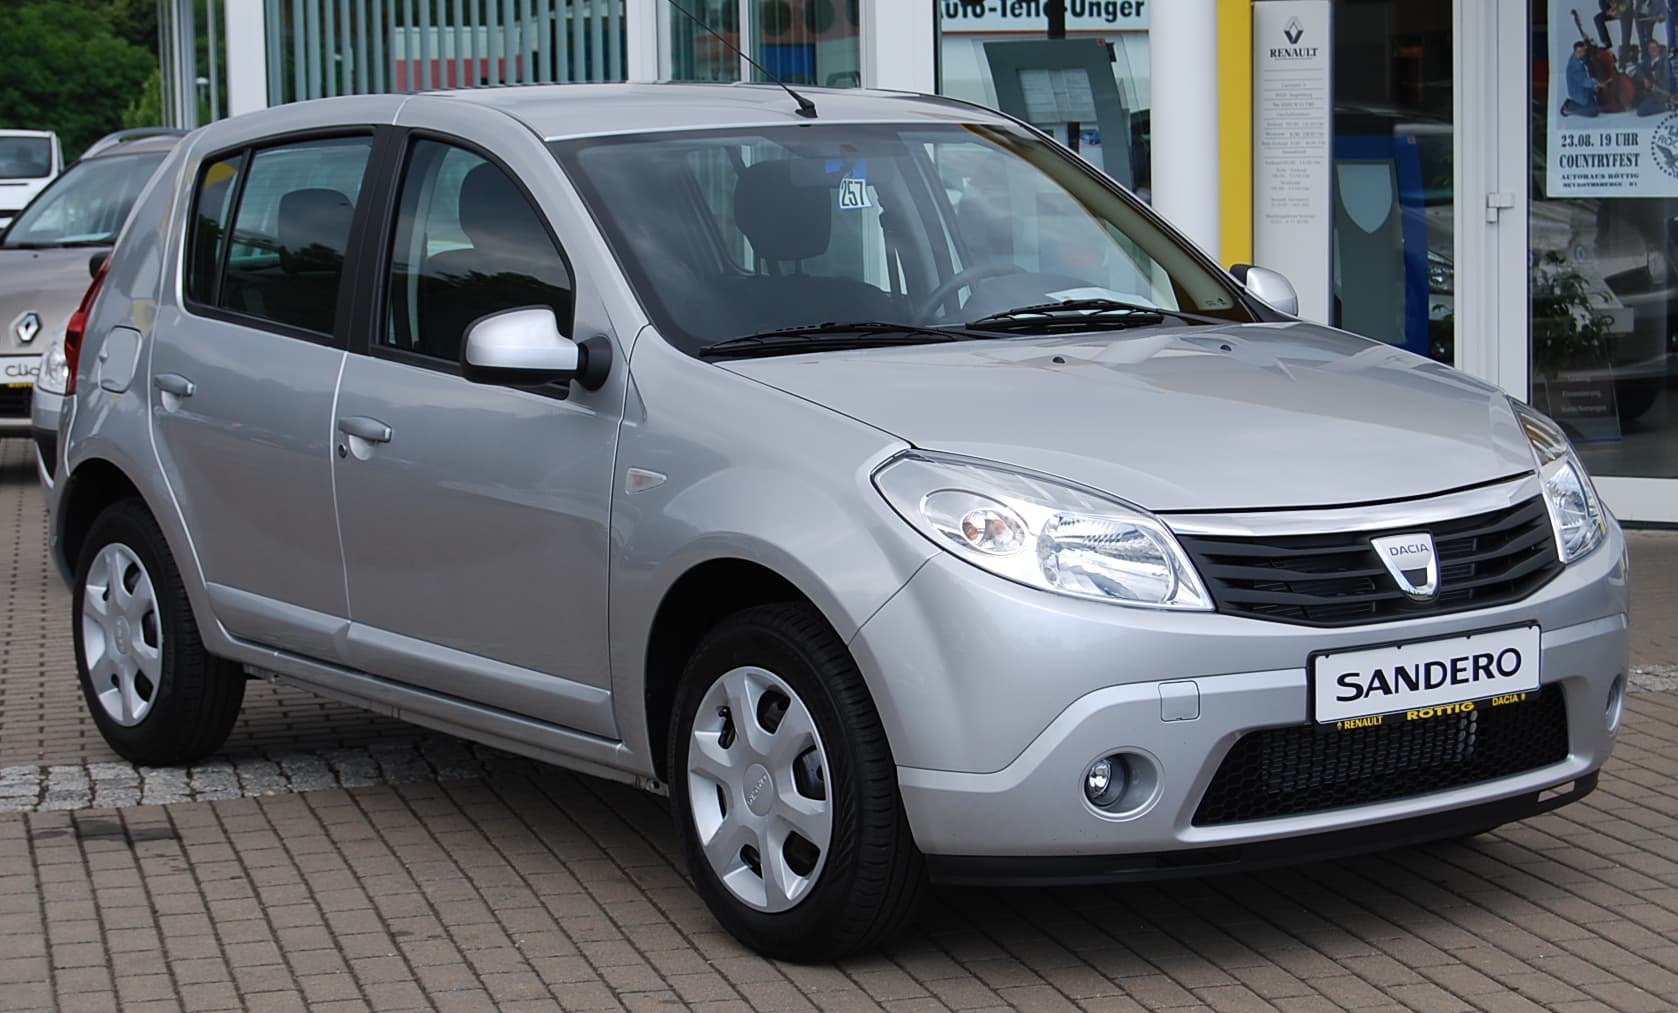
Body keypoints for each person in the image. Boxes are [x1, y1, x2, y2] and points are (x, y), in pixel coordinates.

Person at [1632, 38, 1676, 114]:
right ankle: (1666, 105)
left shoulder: (1665, 61)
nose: (1653, 50)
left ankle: (1668, 106)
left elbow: (1669, 78)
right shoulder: (1647, 61)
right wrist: (1644, 79)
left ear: (1658, 48)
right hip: (1654, 92)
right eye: (1651, 48)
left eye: (1655, 48)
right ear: (1648, 50)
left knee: (1641, 111)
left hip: (1664, 92)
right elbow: (1638, 68)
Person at [1564, 40, 1606, 116]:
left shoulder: (1581, 58)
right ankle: (1570, 106)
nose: (1582, 54)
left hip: (1587, 89)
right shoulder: (1574, 66)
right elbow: (1583, 81)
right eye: (1579, 52)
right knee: (1593, 112)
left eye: (1583, 51)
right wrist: (1596, 83)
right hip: (1580, 92)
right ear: (1574, 52)